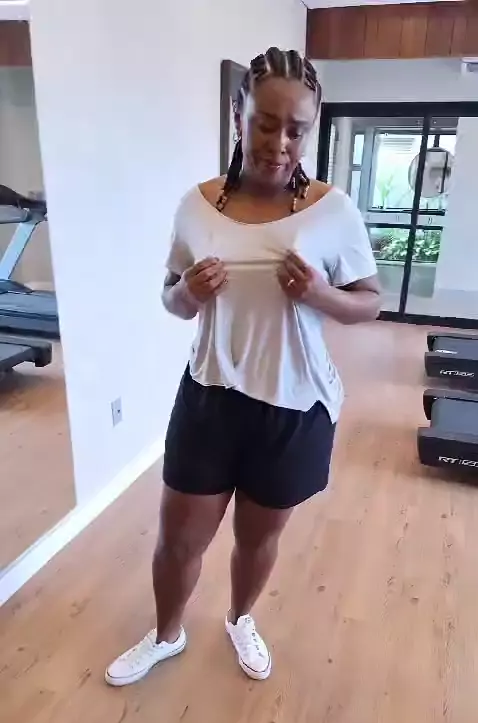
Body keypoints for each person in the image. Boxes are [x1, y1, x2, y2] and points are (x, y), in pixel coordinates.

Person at [105, 47, 381, 688]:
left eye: (296, 130)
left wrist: (321, 295)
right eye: (265, 123)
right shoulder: (196, 206)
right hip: (210, 398)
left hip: (294, 406)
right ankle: (166, 635)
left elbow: (368, 302)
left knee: (257, 540)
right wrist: (188, 292)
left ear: (310, 130)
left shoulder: (333, 211)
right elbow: (171, 299)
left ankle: (239, 619)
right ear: (238, 116)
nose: (279, 144)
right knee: (178, 541)